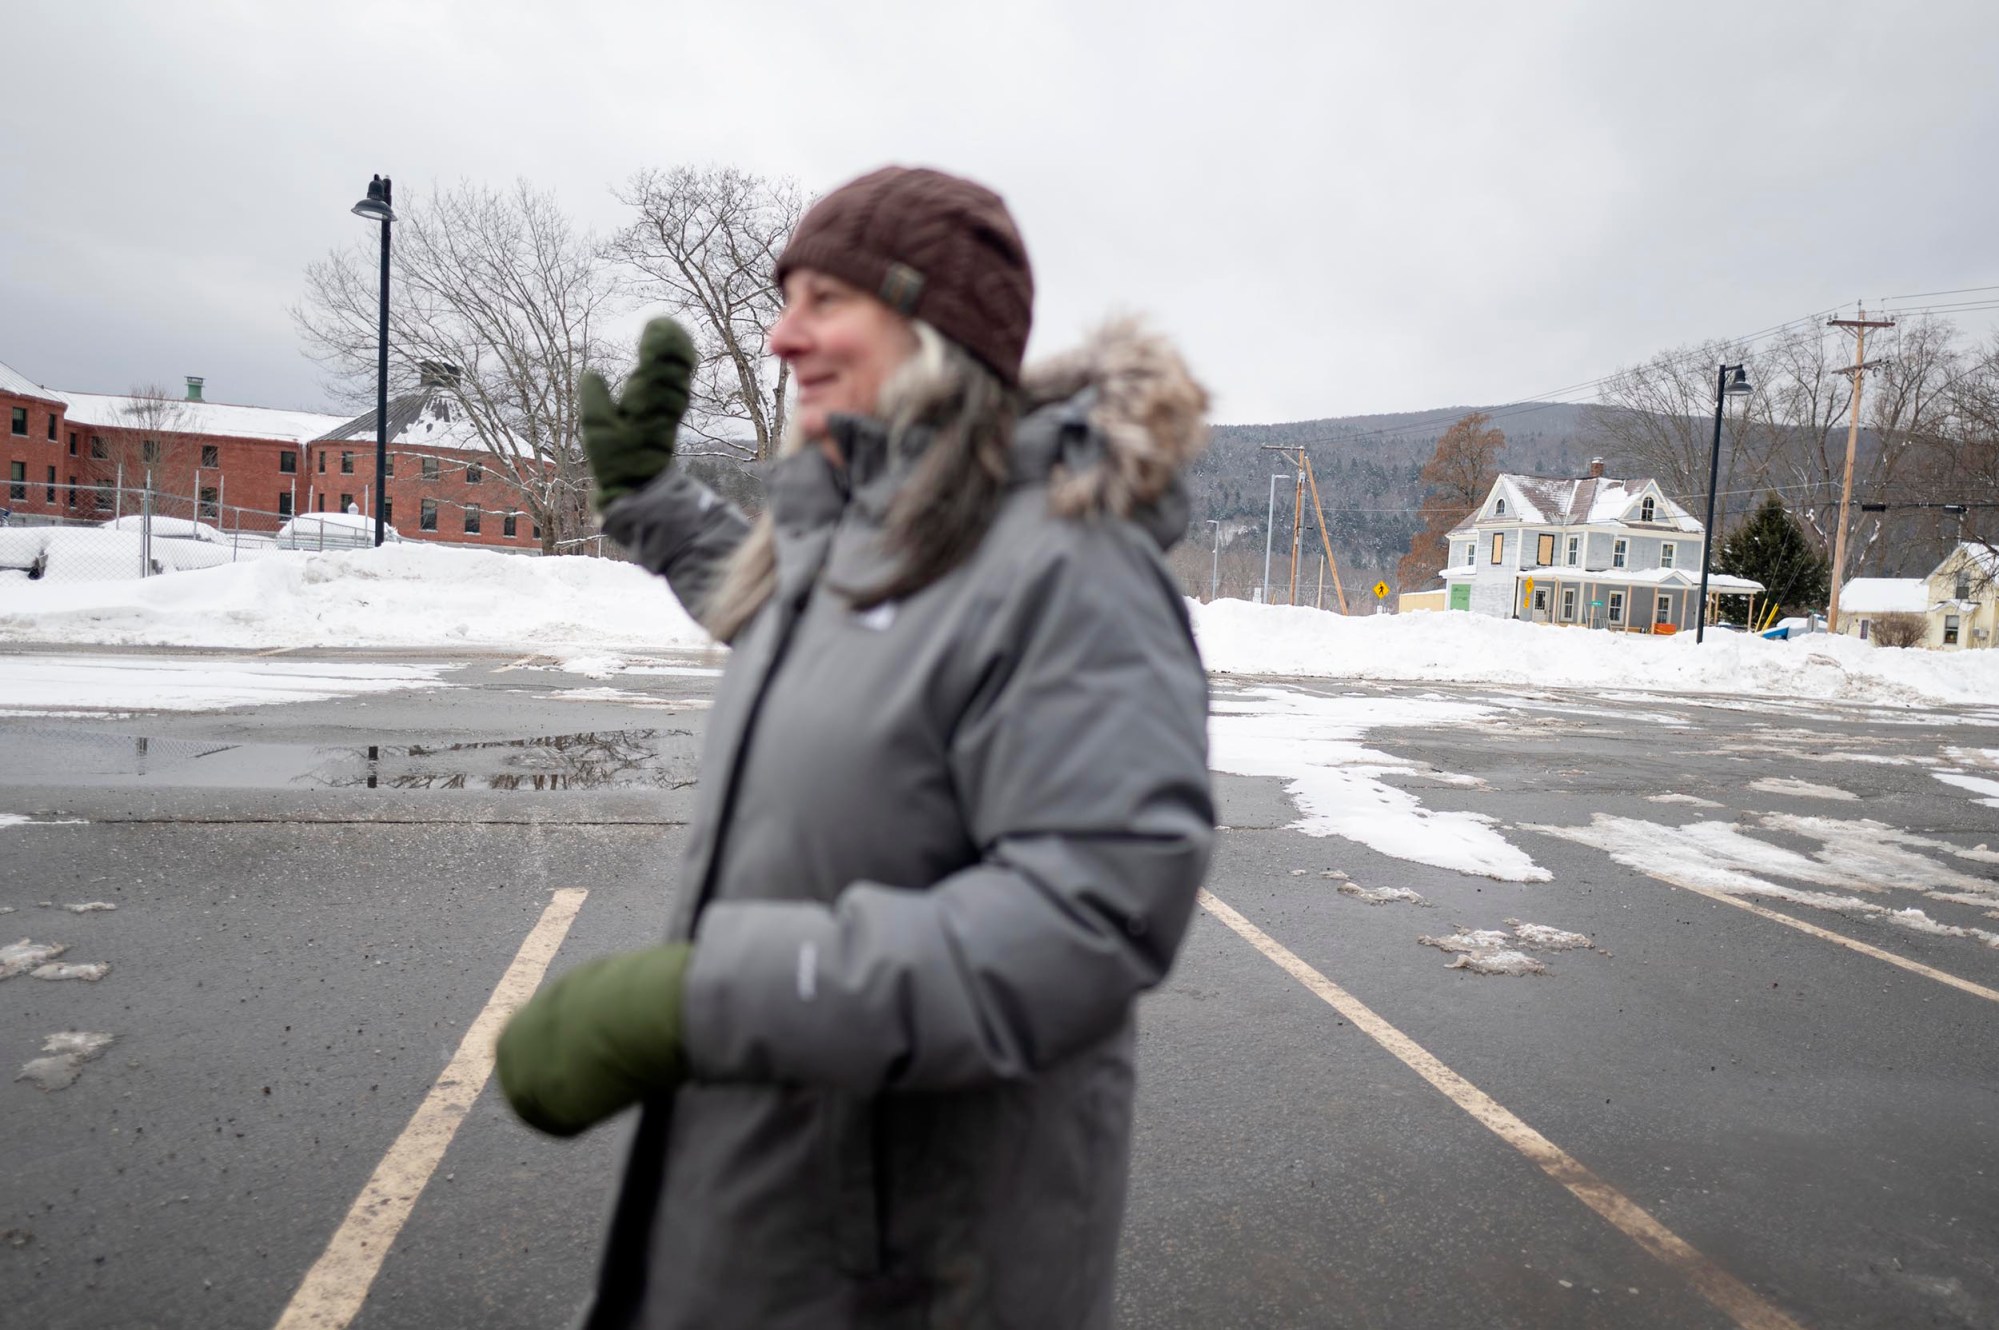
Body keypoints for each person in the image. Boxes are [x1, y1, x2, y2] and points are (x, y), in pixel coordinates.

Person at [497, 166, 1214, 1329]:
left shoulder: (1067, 565)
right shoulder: (859, 536)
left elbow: (1092, 911)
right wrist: (648, 501)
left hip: (908, 1272)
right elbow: (797, 631)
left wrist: (707, 998)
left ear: (933, 325)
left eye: (825, 300)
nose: (782, 337)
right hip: (763, 1220)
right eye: (787, 300)